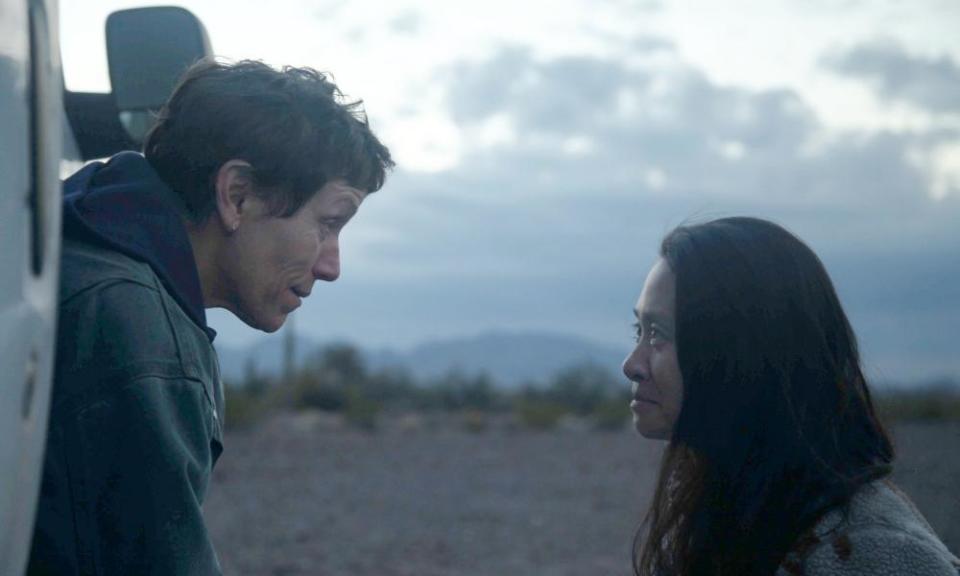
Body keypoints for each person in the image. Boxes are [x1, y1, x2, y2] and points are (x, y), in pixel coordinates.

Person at [27, 59, 393, 575]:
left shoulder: (69, 246)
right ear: (237, 195)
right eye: (329, 223)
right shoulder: (137, 334)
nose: (331, 265)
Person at [622, 217, 959, 576]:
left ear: (742, 351)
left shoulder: (869, 553)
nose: (632, 365)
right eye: (638, 330)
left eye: (658, 332)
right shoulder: (724, 505)